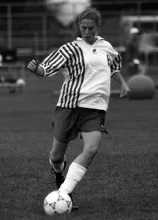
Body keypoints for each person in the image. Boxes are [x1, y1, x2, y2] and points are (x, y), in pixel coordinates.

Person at [27, 7, 130, 209]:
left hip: (95, 108)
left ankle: (64, 192)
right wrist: (37, 69)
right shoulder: (70, 48)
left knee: (91, 148)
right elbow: (46, 69)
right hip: (69, 106)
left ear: (97, 27)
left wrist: (123, 83)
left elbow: (113, 65)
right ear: (79, 27)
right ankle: (59, 174)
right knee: (56, 156)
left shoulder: (106, 47)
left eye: (91, 28)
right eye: (83, 28)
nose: (87, 32)